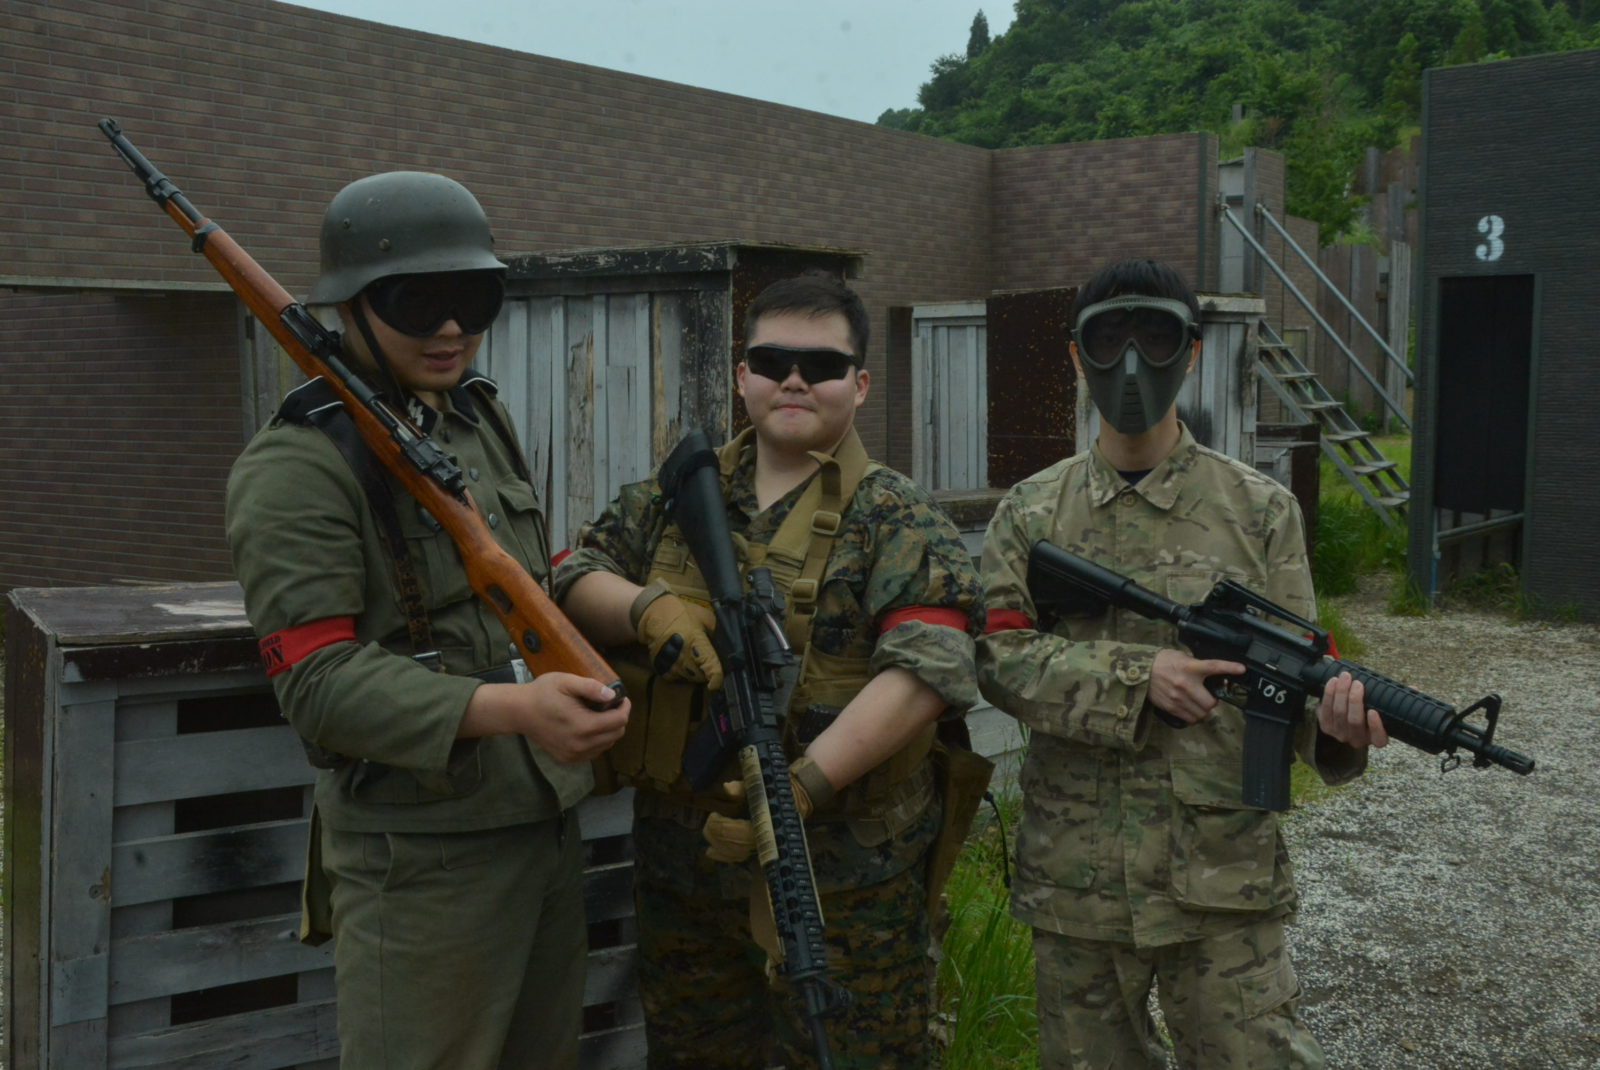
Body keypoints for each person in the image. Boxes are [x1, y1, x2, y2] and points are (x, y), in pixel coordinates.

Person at [225, 170, 628, 1070]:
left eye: (474, 299)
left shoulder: (474, 417)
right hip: (422, 858)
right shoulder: (298, 466)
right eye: (417, 302)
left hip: (542, 823)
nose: (451, 329)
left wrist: (640, 612)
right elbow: (318, 684)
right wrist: (519, 710)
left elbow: (527, 583)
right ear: (351, 306)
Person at [553, 272, 984, 1069]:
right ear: (741, 375)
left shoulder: (895, 516)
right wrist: (646, 609)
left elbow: (928, 671)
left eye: (821, 366)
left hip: (842, 886)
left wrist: (799, 789)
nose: (794, 379)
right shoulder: (675, 494)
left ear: (859, 385)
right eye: (773, 360)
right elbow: (572, 575)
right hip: (684, 874)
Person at [976, 258, 1389, 1069]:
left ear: (1192, 353)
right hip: (1078, 881)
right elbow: (998, 659)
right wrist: (1140, 679)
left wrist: (1339, 730)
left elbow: (1300, 676)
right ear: (1076, 357)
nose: (1132, 364)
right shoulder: (1030, 512)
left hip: (1222, 878)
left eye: (1156, 338)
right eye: (1109, 340)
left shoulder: (1260, 510)